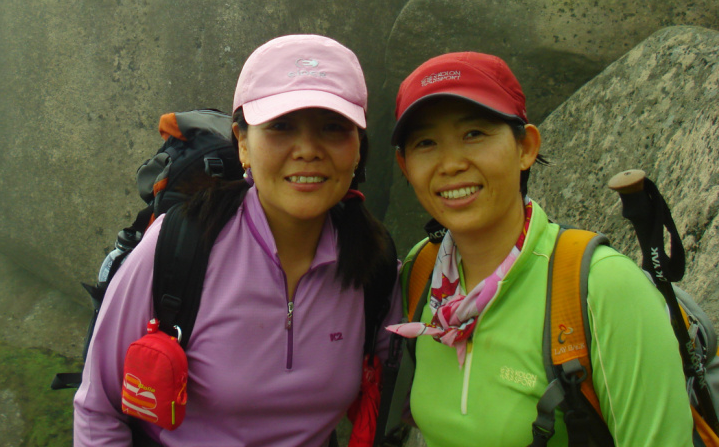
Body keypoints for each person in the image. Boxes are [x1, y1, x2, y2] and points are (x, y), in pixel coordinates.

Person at [74, 34, 399, 447]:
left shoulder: (375, 264)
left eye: (334, 128)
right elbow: (99, 407)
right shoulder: (179, 244)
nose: (308, 150)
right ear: (242, 142)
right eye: (281, 127)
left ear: (359, 150)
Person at [387, 51, 694, 447]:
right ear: (404, 167)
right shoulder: (422, 272)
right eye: (426, 143)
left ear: (526, 147)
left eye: (474, 134)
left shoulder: (601, 288)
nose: (450, 164)